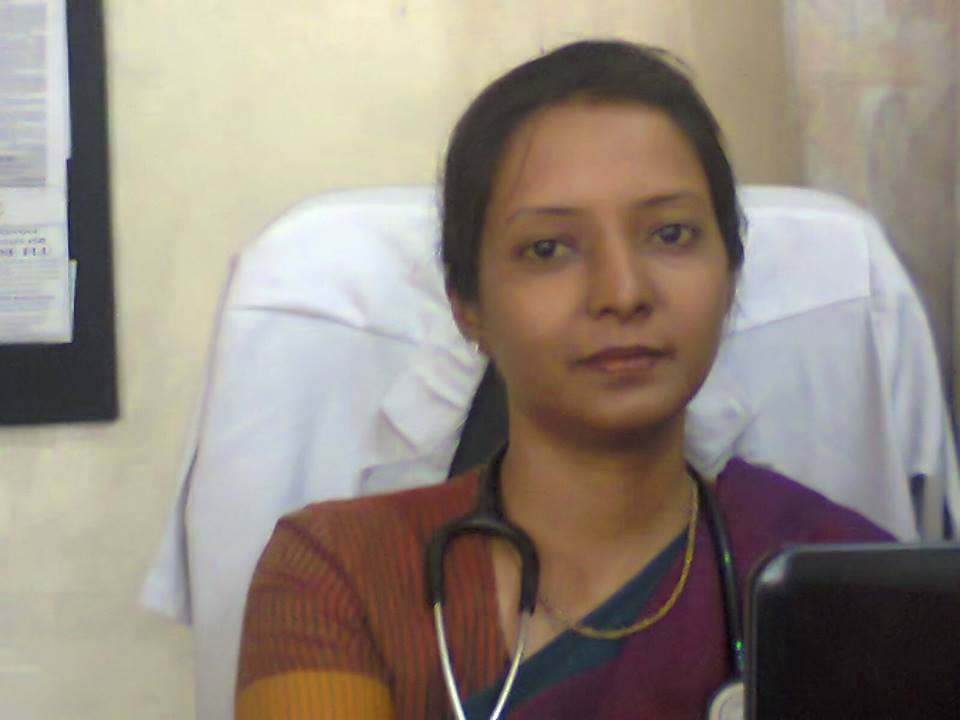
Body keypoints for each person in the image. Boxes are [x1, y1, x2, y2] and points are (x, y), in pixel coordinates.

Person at [235, 40, 891, 720]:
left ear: (730, 274)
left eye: (670, 234)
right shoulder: (344, 575)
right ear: (467, 305)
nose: (622, 292)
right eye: (548, 249)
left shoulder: (843, 583)